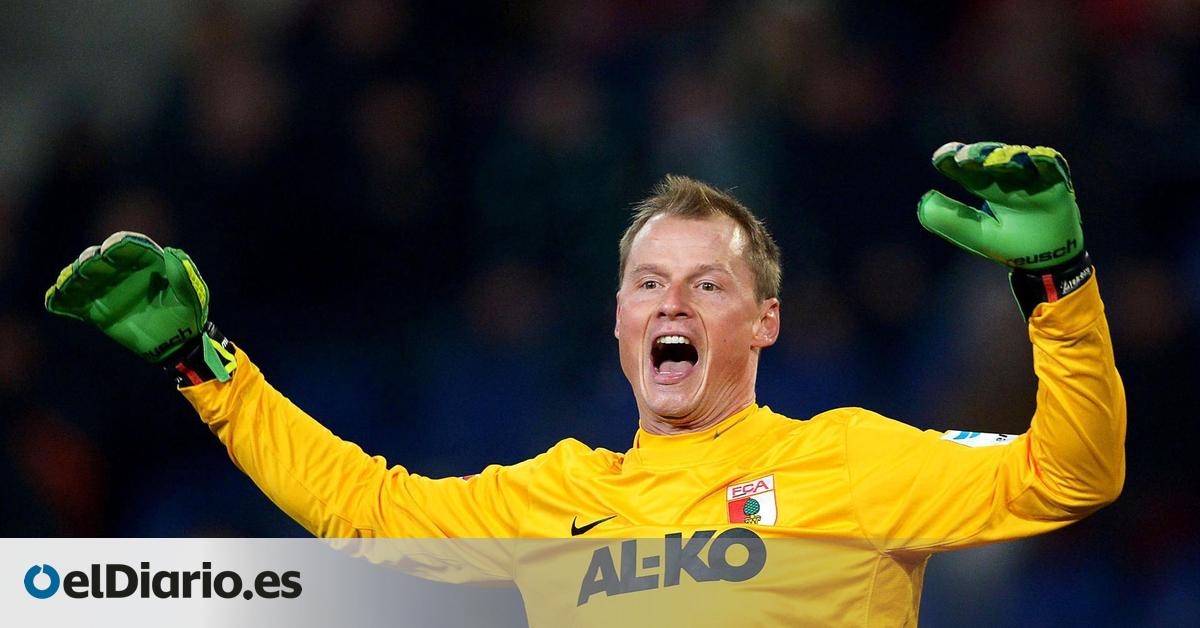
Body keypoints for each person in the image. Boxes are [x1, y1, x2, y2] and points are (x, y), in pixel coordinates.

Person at [45, 142, 1124, 625]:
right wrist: (206, 368)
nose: (671, 303)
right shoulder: (555, 497)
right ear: (618, 321)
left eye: (708, 284)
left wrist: (1059, 285)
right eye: (649, 282)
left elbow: (1071, 478)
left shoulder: (848, 459)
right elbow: (364, 509)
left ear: (764, 324)